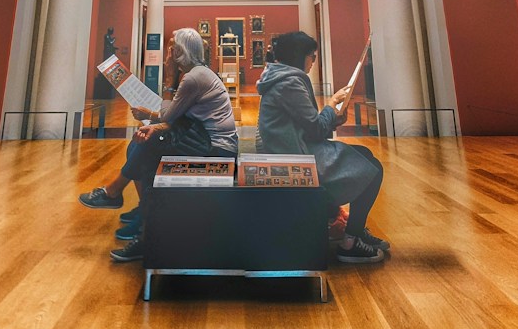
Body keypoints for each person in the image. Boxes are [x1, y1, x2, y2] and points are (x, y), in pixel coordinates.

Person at [79, 28, 236, 263]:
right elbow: (176, 117)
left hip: (217, 150)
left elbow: (169, 117)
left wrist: (168, 80)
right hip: (203, 140)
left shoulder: (193, 78)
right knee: (139, 145)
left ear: (179, 53)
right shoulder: (199, 73)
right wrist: (150, 115)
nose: (168, 54)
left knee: (149, 144)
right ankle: (140, 213)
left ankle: (119, 197)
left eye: (171, 49)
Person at [257, 30, 388, 264]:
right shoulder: (290, 81)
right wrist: (331, 105)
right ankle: (350, 241)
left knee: (366, 156)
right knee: (373, 168)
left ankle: (355, 231)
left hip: (296, 149)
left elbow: (309, 127)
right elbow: (316, 129)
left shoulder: (282, 77)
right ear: (301, 57)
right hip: (298, 158)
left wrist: (333, 117)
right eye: (312, 56)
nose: (313, 62)